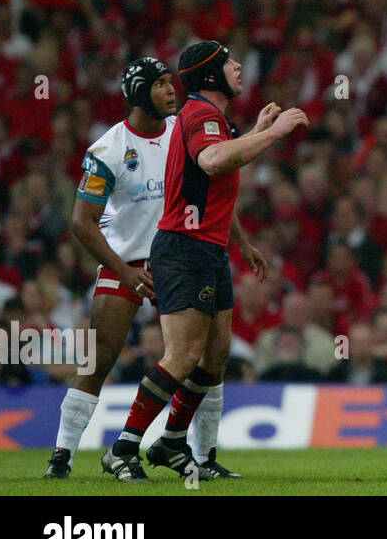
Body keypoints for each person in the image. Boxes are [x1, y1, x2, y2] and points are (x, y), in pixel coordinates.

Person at [101, 41, 307, 482]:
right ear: (210, 75)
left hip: (208, 247)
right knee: (184, 354)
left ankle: (173, 443)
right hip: (183, 247)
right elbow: (213, 162)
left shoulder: (211, 119)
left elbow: (213, 183)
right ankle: (123, 448)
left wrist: (244, 244)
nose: (238, 66)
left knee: (214, 356)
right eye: (228, 62)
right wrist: (272, 133)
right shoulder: (202, 116)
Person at [45, 59, 179, 479]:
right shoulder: (107, 150)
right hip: (126, 263)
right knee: (98, 361)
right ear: (140, 93)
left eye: (170, 82)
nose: (172, 90)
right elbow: (80, 222)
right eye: (160, 85)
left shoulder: (182, 132)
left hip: (177, 260)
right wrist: (123, 271)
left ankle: (184, 451)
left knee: (200, 356)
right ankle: (61, 457)